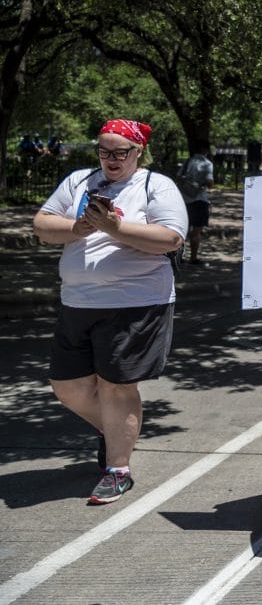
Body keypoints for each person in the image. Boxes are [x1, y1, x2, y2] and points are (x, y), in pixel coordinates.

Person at [33, 119, 187, 503]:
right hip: (78, 301)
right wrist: (80, 228)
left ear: (139, 152)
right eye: (105, 151)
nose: (112, 159)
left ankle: (117, 469)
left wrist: (116, 227)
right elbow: (42, 225)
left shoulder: (156, 185)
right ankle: (115, 430)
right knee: (67, 386)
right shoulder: (77, 181)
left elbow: (170, 238)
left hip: (135, 302)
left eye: (121, 152)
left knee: (117, 385)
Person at [177, 143, 215, 265]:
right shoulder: (207, 164)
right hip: (199, 199)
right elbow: (210, 182)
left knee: (183, 231)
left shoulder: (188, 161)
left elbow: (178, 176)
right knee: (196, 232)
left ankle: (179, 258)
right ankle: (193, 258)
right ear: (206, 150)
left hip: (184, 199)